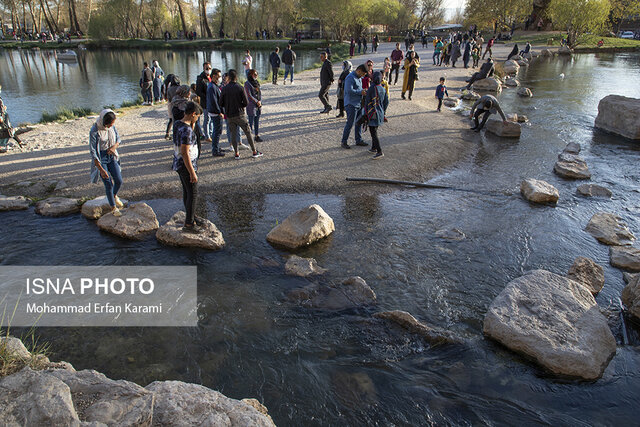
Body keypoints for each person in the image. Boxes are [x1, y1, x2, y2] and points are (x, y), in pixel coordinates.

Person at [173, 102, 203, 233]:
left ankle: (191, 215)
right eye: (197, 117)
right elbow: (185, 152)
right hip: (186, 165)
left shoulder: (177, 124)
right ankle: (189, 224)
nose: (197, 119)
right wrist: (192, 172)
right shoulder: (187, 130)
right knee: (193, 193)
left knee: (187, 191)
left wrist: (193, 125)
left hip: (178, 163)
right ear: (193, 114)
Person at [219, 69, 263, 159]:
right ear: (236, 77)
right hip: (239, 114)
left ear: (229, 78)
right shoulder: (240, 87)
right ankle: (254, 151)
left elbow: (221, 103)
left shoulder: (224, 89)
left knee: (233, 134)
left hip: (230, 115)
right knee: (248, 132)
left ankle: (236, 153)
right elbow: (246, 102)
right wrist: (241, 105)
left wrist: (227, 107)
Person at [89, 109, 124, 217]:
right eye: (109, 124)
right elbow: (93, 151)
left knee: (118, 180)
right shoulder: (95, 130)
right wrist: (101, 169)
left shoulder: (112, 127)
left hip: (112, 156)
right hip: (101, 158)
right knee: (108, 183)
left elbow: (118, 139)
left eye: (112, 124)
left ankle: (113, 195)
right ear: (104, 122)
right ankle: (113, 207)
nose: (111, 126)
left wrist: (114, 147)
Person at [341, 64, 368, 149]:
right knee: (350, 123)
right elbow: (349, 90)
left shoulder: (359, 78)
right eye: (363, 74)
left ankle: (358, 140)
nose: (363, 76)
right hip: (351, 104)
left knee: (359, 122)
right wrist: (360, 92)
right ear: (359, 70)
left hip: (358, 103)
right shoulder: (350, 77)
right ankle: (344, 141)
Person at [365, 71, 388, 159]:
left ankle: (379, 151)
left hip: (372, 113)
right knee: (375, 130)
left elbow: (367, 102)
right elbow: (386, 102)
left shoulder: (371, 88)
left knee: (373, 132)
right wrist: (383, 111)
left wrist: (366, 113)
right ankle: (373, 148)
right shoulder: (383, 88)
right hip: (380, 113)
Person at [206, 68, 225, 157]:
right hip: (215, 113)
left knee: (216, 131)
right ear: (214, 76)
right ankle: (215, 150)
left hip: (214, 112)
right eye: (219, 76)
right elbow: (214, 102)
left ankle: (216, 147)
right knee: (217, 131)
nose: (220, 78)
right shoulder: (212, 87)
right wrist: (219, 112)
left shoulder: (213, 86)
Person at [244, 69, 264, 142]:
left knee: (257, 121)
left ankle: (256, 135)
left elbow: (259, 93)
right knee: (250, 122)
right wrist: (256, 101)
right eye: (254, 75)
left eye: (257, 75)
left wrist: (260, 101)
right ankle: (250, 137)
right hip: (251, 105)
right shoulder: (247, 83)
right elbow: (249, 95)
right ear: (250, 75)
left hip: (258, 105)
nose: (256, 76)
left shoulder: (257, 83)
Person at [195, 62, 213, 142]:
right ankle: (207, 136)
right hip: (205, 102)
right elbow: (198, 92)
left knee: (212, 118)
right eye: (207, 68)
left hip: (212, 101)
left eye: (209, 68)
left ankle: (211, 133)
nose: (208, 70)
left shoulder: (212, 77)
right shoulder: (200, 79)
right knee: (207, 119)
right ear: (203, 68)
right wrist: (207, 97)